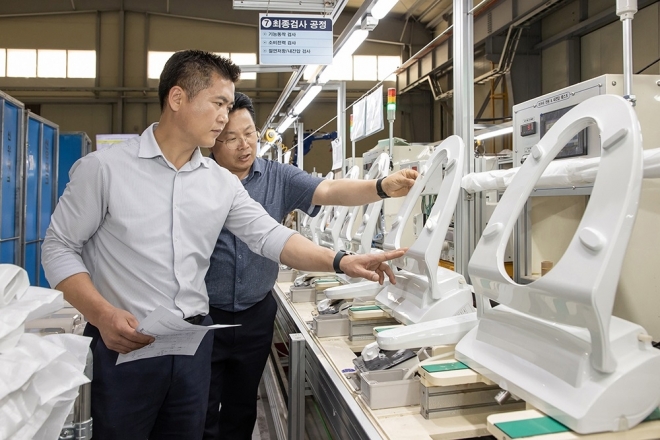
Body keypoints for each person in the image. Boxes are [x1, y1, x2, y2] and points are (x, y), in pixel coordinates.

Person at [41, 50, 405, 440]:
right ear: (177, 99)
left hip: (192, 346)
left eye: (229, 106)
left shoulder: (219, 182)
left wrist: (342, 261)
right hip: (125, 345)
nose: (223, 117)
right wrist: (101, 314)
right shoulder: (105, 170)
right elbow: (58, 247)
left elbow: (270, 237)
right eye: (218, 104)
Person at [204, 92, 418, 440]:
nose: (243, 145)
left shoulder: (278, 178)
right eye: (230, 138)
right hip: (205, 315)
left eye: (249, 134)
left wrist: (381, 186)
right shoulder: (200, 180)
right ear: (213, 140)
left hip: (255, 314)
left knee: (241, 408)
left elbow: (331, 189)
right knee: (198, 410)